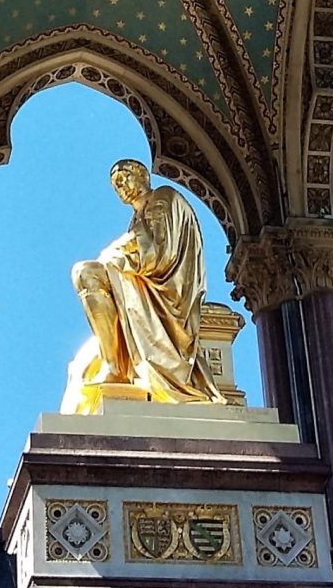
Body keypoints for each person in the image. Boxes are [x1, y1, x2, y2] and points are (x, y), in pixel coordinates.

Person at [64, 159, 224, 411]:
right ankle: (114, 366)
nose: (120, 188)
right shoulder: (139, 216)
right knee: (85, 275)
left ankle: (115, 368)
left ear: (142, 176)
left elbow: (158, 255)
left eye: (123, 178)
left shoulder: (163, 199)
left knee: (87, 273)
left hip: (166, 299)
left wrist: (114, 253)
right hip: (145, 291)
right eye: (115, 185)